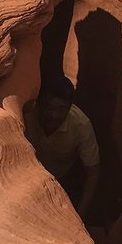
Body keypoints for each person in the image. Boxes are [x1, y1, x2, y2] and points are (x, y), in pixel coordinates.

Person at [25, 75, 100, 221]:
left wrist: (80, 217)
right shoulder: (26, 115)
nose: (54, 115)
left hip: (63, 179)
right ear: (38, 103)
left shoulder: (81, 126)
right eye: (48, 107)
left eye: (61, 109)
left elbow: (93, 172)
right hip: (27, 179)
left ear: (70, 107)